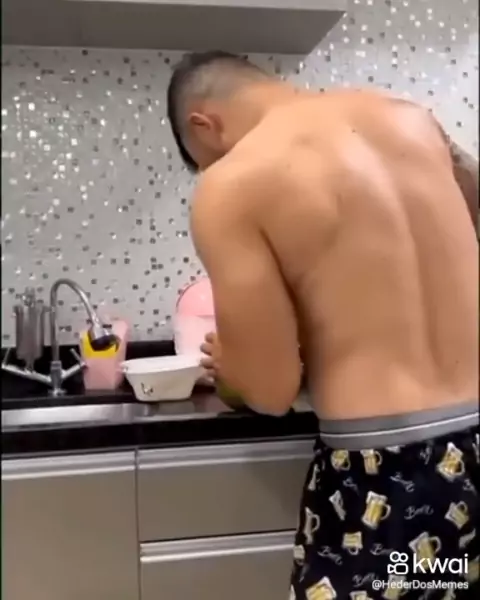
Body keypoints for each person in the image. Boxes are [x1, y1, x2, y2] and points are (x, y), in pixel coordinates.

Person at [167, 51, 479, 599]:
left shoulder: (230, 185)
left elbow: (269, 390)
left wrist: (230, 363)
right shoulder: (410, 118)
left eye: (202, 160)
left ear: (203, 124)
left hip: (389, 473)